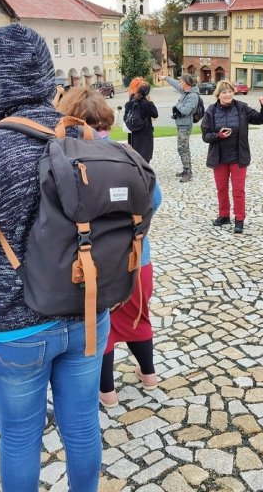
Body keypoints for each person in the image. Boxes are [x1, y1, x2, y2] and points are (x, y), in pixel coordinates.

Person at [0, 24, 108, 492]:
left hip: (17, 326)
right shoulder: (85, 139)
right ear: (43, 73)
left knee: (19, 437)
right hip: (88, 312)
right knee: (82, 427)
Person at [58, 87, 162, 408]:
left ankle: (108, 392)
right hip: (135, 258)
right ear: (106, 119)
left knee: (100, 328)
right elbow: (154, 200)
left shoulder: (63, 160)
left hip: (91, 263)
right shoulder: (130, 156)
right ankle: (148, 375)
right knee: (139, 317)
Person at [201, 80, 263, 234]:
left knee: (238, 190)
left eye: (230, 91)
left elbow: (260, 119)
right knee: (221, 189)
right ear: (218, 94)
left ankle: (239, 219)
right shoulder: (211, 111)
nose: (228, 94)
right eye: (224, 92)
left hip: (238, 156)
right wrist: (218, 135)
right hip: (219, 158)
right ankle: (224, 215)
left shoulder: (241, 108)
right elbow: (205, 136)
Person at [159, 73, 199, 182]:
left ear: (186, 83)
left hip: (185, 125)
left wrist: (177, 106)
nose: (179, 83)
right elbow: (175, 84)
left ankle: (188, 172)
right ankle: (186, 169)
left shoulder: (193, 96)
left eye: (181, 81)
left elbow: (186, 110)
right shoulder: (185, 91)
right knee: (184, 147)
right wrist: (165, 78)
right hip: (181, 124)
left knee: (182, 148)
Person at [124, 82, 158, 162]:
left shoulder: (132, 100)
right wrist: (150, 102)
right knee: (145, 157)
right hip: (145, 133)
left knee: (135, 155)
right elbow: (155, 114)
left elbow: (126, 113)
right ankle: (144, 173)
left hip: (133, 132)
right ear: (147, 93)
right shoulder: (146, 103)